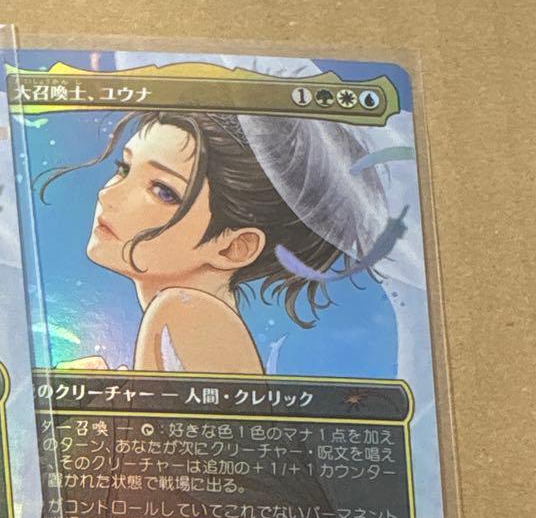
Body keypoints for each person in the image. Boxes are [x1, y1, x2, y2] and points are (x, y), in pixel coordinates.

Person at [39, 110, 372, 374]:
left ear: (233, 247)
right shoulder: (200, 319)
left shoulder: (185, 310)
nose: (107, 194)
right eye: (124, 168)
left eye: (163, 191)